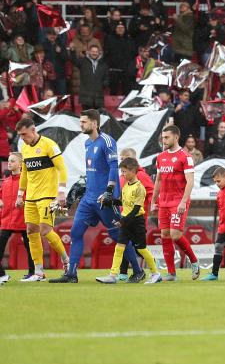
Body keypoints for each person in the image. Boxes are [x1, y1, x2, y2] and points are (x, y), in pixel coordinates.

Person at [50, 110, 141, 284]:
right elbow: (94, 171)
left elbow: (114, 167)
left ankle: (138, 271)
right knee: (75, 233)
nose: (81, 125)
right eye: (81, 122)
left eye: (84, 122)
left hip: (104, 199)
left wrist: (109, 191)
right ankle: (71, 274)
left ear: (94, 123)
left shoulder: (107, 141)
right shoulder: (87, 144)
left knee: (118, 236)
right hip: (88, 199)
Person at [15, 117, 70, 282]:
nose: (23, 138)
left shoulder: (49, 145)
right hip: (31, 197)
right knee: (31, 231)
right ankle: (38, 272)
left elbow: (62, 168)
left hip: (47, 196)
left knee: (45, 230)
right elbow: (24, 173)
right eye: (20, 135)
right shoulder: (25, 148)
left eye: (24, 134)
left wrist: (61, 192)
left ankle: (65, 259)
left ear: (33, 130)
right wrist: (20, 194)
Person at [94, 158, 163, 284]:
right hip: (126, 221)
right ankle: (113, 275)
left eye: (124, 171)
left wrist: (123, 221)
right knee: (119, 247)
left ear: (132, 171)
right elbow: (123, 202)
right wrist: (110, 201)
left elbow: (136, 209)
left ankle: (155, 273)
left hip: (136, 222)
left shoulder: (139, 188)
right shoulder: (126, 186)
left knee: (142, 249)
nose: (122, 174)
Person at [150, 125, 200, 281]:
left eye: (167, 137)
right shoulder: (160, 157)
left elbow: (190, 181)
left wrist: (183, 202)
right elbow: (158, 180)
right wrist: (153, 201)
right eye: (163, 137)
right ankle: (171, 273)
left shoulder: (185, 157)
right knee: (164, 234)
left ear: (176, 137)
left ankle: (194, 261)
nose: (164, 140)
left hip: (178, 201)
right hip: (163, 202)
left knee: (175, 234)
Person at [0, 153, 35, 283]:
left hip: (23, 220)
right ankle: (2, 274)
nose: (9, 163)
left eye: (13, 161)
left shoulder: (27, 181)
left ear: (21, 164)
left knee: (30, 247)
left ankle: (33, 273)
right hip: (6, 221)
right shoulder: (6, 182)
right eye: (9, 161)